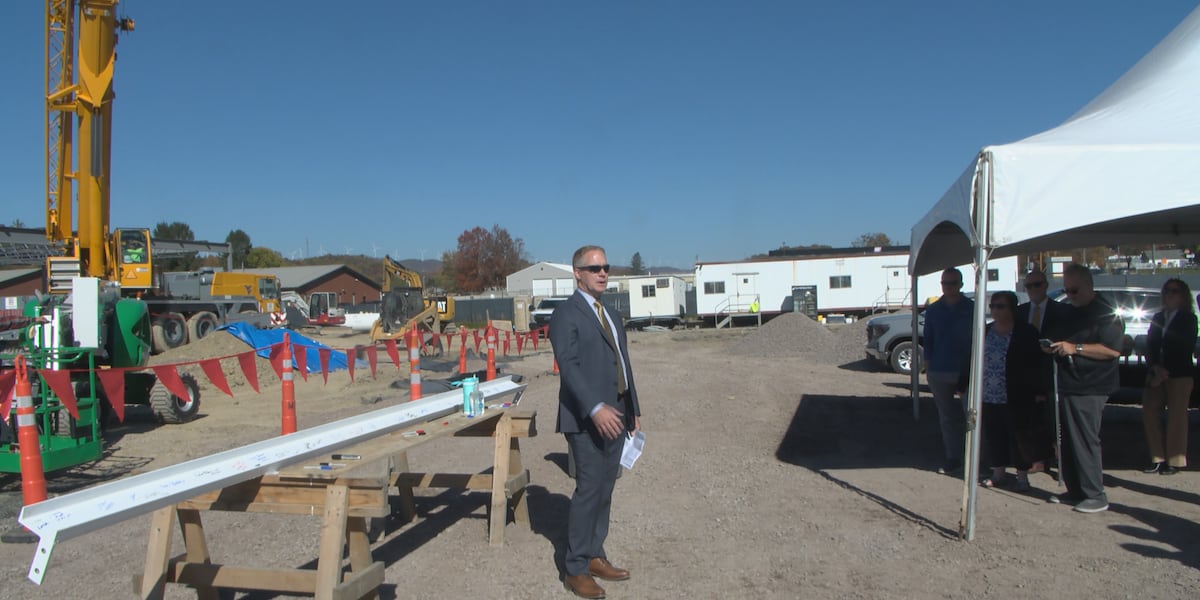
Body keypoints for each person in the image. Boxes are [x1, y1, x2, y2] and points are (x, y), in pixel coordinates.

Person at [549, 245, 642, 600]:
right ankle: (575, 568)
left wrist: (633, 408)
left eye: (606, 267)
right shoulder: (566, 314)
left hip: (618, 414)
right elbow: (568, 367)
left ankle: (594, 555)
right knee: (588, 489)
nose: (602, 273)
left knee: (606, 488)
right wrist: (595, 408)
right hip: (587, 419)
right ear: (577, 273)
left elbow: (623, 363)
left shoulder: (612, 315)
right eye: (594, 268)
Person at [1045, 263, 1125, 514]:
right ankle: (1076, 489)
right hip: (1070, 381)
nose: (1070, 295)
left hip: (1092, 385)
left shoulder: (1105, 311)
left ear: (1089, 286)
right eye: (1066, 290)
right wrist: (1053, 346)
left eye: (1075, 290)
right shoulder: (1072, 311)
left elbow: (1112, 350)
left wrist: (1076, 348)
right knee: (1068, 440)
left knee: (1085, 439)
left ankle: (1095, 493)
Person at [978, 291, 1046, 491]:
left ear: (1012, 309)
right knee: (994, 435)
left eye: (1000, 306)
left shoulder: (1026, 332)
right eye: (993, 306)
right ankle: (998, 472)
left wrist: (1039, 390)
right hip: (989, 393)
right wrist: (964, 383)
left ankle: (1022, 477)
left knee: (1019, 436)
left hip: (1017, 394)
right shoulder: (986, 331)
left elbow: (1037, 364)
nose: (995, 310)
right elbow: (973, 359)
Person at [1016, 268, 1070, 473]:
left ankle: (1060, 458)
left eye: (1037, 285)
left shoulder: (1061, 311)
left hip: (1052, 371)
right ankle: (1038, 459)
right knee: (1031, 420)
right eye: (1029, 286)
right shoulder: (1021, 312)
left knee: (1054, 418)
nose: (1032, 289)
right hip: (1027, 373)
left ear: (1046, 286)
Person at [1141, 278, 1197, 475]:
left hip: (1179, 373)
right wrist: (1155, 368)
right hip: (1157, 371)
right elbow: (1151, 343)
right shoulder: (1158, 316)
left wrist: (1166, 371)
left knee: (1177, 416)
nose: (1170, 295)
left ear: (1183, 296)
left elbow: (1184, 345)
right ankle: (1157, 457)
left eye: (1174, 291)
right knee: (1149, 410)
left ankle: (1175, 460)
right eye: (1167, 291)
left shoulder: (1188, 318)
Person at [923, 267, 974, 475]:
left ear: (961, 285)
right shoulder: (934, 310)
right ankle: (953, 457)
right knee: (947, 417)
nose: (948, 287)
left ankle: (974, 458)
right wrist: (928, 367)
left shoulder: (971, 308)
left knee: (970, 416)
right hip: (939, 370)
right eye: (945, 283)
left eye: (953, 283)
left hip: (966, 370)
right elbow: (928, 339)